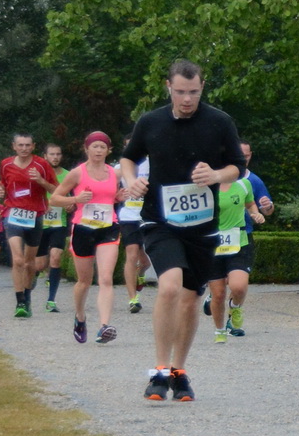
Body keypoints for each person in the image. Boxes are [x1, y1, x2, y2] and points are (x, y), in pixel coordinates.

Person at [121, 61, 247, 402]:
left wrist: (217, 175)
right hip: (160, 219)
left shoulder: (220, 122)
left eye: (193, 92)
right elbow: (128, 158)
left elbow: (239, 166)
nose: (187, 99)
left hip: (203, 224)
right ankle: (159, 371)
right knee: (169, 286)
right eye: (180, 92)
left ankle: (179, 370)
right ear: (168, 87)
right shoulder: (151, 122)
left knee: (191, 300)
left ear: (202, 87)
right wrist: (132, 182)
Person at [48, 132, 123, 344]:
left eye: (102, 147)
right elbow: (55, 199)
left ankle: (104, 326)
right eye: (95, 147)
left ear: (109, 151)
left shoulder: (115, 173)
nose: (98, 151)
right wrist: (76, 198)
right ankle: (80, 316)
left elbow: (111, 196)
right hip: (83, 228)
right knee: (84, 281)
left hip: (108, 227)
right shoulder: (77, 174)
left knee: (106, 278)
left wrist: (119, 197)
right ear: (86, 148)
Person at [204, 152, 271, 342]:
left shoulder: (244, 183)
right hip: (212, 244)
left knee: (238, 286)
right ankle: (219, 330)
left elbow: (250, 205)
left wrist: (255, 214)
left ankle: (235, 308)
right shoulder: (206, 186)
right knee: (217, 293)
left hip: (238, 241)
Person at [0, 135, 58, 317]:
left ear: (33, 146)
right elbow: (4, 185)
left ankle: (27, 295)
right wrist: (0, 190)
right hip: (13, 215)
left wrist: (40, 180)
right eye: (20, 145)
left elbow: (56, 190)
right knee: (18, 260)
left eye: (27, 145)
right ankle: (20, 302)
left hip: (35, 216)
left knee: (30, 262)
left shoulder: (41, 165)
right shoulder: (6, 164)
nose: (24, 148)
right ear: (14, 146)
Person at [36, 142, 71, 312]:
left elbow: (72, 198)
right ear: (45, 156)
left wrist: (71, 204)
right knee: (40, 265)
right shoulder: (38, 174)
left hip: (59, 223)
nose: (55, 157)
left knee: (56, 257)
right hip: (40, 223)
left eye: (58, 154)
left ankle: (51, 300)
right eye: (52, 154)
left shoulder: (67, 175)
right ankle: (28, 286)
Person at [117, 157, 150, 314]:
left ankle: (141, 274)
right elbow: (108, 187)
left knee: (145, 262)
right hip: (128, 217)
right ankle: (133, 298)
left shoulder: (152, 162)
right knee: (132, 255)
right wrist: (117, 195)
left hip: (148, 216)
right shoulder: (120, 166)